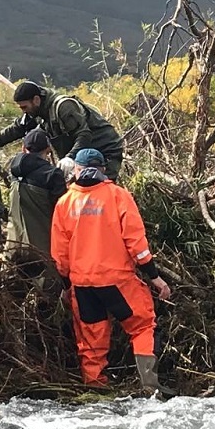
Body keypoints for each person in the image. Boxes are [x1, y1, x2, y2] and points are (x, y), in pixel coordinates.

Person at [50, 148, 173, 392]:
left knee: (91, 340)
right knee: (142, 326)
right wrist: (154, 276)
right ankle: (150, 385)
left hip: (82, 284)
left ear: (75, 170)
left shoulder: (65, 203)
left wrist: (66, 286)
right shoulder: (118, 196)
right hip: (117, 280)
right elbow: (136, 243)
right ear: (103, 170)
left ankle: (96, 390)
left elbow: (59, 255)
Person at [0, 81, 124, 181]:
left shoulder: (64, 107)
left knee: (101, 190)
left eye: (24, 107)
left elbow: (84, 134)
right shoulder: (37, 112)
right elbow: (18, 129)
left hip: (105, 150)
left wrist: (70, 157)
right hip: (83, 155)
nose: (24, 111)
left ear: (36, 100)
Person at [6, 128, 67, 259]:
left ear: (23, 148)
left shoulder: (14, 173)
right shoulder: (52, 175)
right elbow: (62, 212)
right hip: (43, 248)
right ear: (48, 149)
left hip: (13, 245)